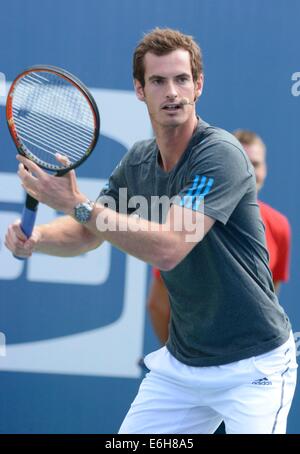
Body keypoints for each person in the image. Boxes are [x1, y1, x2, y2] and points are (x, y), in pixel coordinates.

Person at [5, 28, 297, 434]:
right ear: (140, 90)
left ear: (199, 85)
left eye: (181, 79)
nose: (172, 92)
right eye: (158, 81)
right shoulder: (139, 162)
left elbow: (170, 248)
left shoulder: (220, 154)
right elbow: (90, 231)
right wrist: (38, 240)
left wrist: (76, 204)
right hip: (182, 366)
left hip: (253, 367)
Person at [148, 130, 292, 345]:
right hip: (197, 359)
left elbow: (268, 300)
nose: (249, 171)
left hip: (252, 359)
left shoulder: (279, 226)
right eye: (242, 162)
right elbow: (158, 305)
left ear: (266, 169)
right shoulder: (191, 222)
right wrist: (181, 358)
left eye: (256, 164)